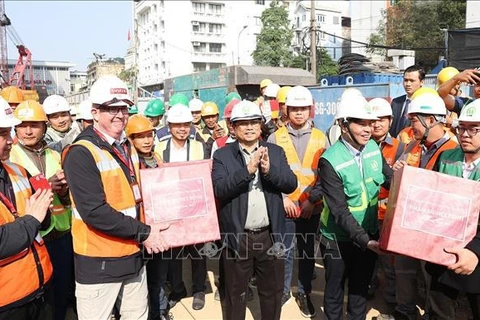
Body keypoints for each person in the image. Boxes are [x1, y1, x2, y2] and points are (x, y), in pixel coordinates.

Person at [63, 75, 170, 320]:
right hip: (99, 264)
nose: (120, 114)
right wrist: (145, 232)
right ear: (95, 112)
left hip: (132, 256)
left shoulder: (126, 146)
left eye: (123, 108)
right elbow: (94, 212)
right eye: (111, 108)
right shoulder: (81, 153)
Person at [212, 100, 297, 320]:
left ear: (261, 125)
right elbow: (219, 189)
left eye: (254, 122)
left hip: (270, 235)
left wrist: (269, 171)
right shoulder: (222, 155)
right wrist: (248, 171)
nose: (249, 127)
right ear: (233, 127)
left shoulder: (276, 152)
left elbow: (290, 183)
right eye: (243, 123)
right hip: (238, 237)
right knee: (235, 293)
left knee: (272, 292)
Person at [318, 93, 393, 320]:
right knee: (334, 289)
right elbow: (339, 211)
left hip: (368, 234)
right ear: (343, 125)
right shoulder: (329, 160)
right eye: (360, 123)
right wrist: (366, 241)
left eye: (370, 123)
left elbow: (390, 180)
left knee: (360, 289)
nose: (368, 128)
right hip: (337, 238)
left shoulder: (372, 147)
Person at [385, 93, 458, 320]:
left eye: (414, 120)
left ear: (431, 119)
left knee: (431, 278)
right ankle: (405, 311)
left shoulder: (452, 150)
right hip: (409, 224)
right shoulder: (413, 146)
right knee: (404, 271)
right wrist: (398, 172)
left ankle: (429, 314)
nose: (410, 125)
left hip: (434, 229)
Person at [267, 85, 328, 317]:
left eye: (303, 108)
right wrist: (282, 199)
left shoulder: (321, 138)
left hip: (310, 208)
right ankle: (282, 291)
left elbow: (326, 176)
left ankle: (303, 291)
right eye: (294, 109)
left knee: (306, 253)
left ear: (310, 110)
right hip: (286, 208)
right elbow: (269, 173)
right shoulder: (275, 137)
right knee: (283, 251)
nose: (299, 113)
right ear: (286, 110)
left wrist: (312, 201)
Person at [10, 100, 73, 320]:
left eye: (34, 125)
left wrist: (64, 191)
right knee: (42, 297)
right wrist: (48, 185)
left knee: (63, 290)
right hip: (34, 239)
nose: (28, 131)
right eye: (22, 125)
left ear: (44, 127)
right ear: (15, 128)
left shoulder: (54, 156)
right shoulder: (10, 158)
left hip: (63, 234)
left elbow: (66, 200)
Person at [426, 99, 480, 320]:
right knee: (439, 310)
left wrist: (476, 251)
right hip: (443, 249)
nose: (465, 134)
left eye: (474, 129)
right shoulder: (447, 157)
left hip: (475, 254)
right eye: (462, 128)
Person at [0, 99, 54, 320]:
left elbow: (43, 220)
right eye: (3, 134)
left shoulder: (18, 171)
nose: (11, 140)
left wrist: (44, 210)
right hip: (7, 303)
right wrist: (31, 219)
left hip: (39, 288)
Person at [154, 104, 208, 311]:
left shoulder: (199, 146)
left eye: (186, 124)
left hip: (195, 206)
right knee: (173, 252)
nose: (182, 129)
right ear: (169, 126)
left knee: (198, 251)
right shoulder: (160, 148)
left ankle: (199, 289)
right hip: (170, 207)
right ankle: (178, 288)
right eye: (178, 125)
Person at [367, 97, 404, 307]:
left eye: (382, 119)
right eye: (373, 120)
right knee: (368, 256)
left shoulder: (400, 147)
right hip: (366, 212)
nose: (377, 124)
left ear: (390, 121)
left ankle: (391, 300)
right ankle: (369, 286)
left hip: (388, 215)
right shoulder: (362, 146)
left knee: (389, 262)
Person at [390, 64, 425, 137]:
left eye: (412, 81)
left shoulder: (425, 104)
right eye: (406, 80)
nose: (408, 84)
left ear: (422, 82)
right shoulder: (396, 102)